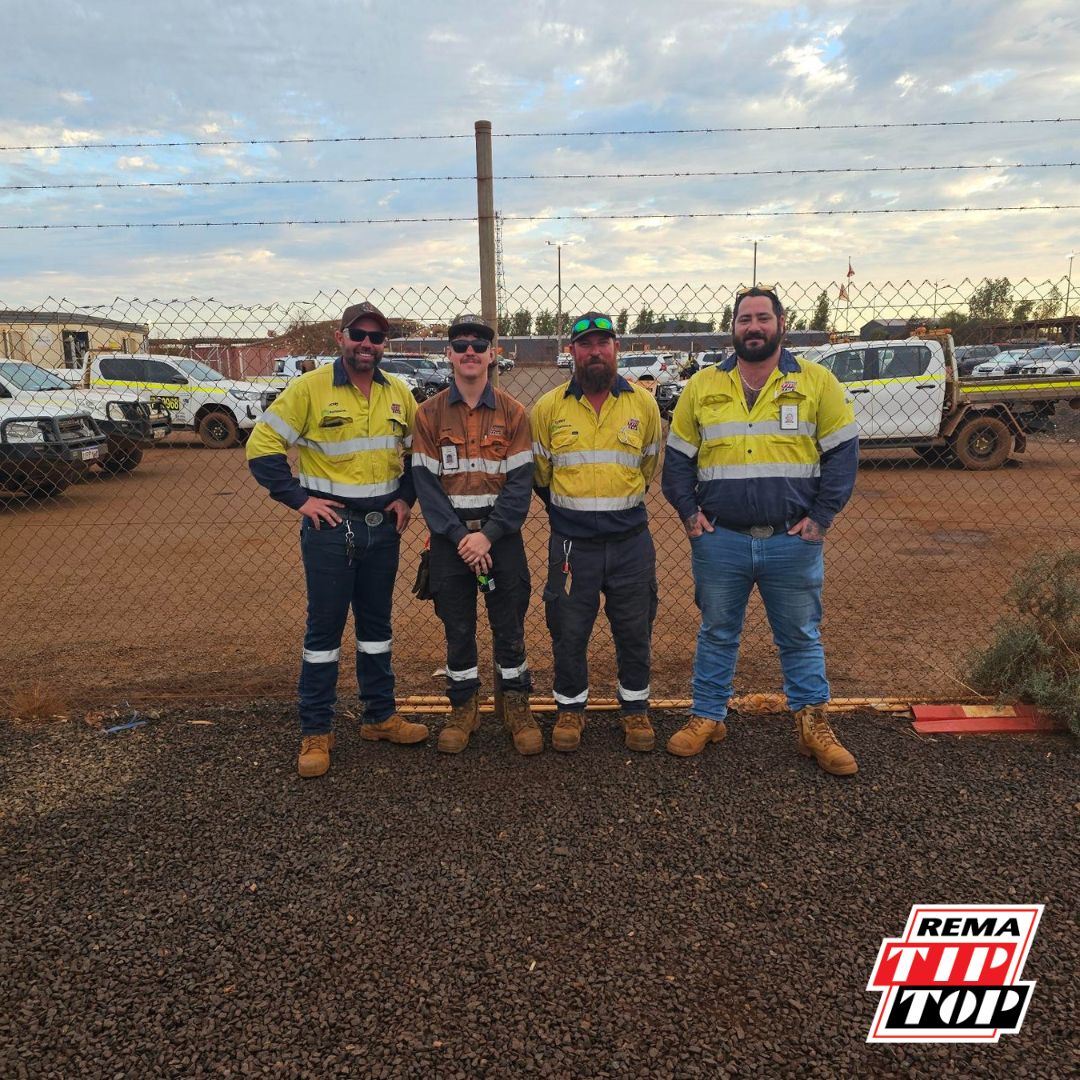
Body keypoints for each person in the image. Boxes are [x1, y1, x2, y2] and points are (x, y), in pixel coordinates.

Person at [661, 286, 860, 775]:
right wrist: (692, 517)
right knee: (717, 632)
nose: (753, 327)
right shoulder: (703, 387)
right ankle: (708, 716)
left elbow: (842, 457)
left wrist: (820, 520)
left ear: (780, 324)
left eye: (762, 318)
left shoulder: (816, 383)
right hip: (721, 539)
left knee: (799, 636)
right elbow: (677, 463)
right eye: (744, 319)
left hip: (792, 541)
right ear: (733, 327)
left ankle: (813, 724)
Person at [246, 300, 428, 778]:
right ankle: (316, 730)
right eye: (359, 335)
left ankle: (379, 716)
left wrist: (406, 497)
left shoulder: (399, 394)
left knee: (376, 629)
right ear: (340, 338)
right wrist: (299, 500)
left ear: (384, 345)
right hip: (329, 531)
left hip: (383, 532)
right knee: (324, 633)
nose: (367, 345)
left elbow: (415, 456)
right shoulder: (309, 389)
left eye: (376, 338)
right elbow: (261, 446)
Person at [530, 312, 663, 753]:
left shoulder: (642, 404)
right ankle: (570, 709)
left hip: (630, 543)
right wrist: (576, 514)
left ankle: (635, 709)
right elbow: (542, 476)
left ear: (616, 349)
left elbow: (647, 467)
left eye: (603, 343)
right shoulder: (549, 408)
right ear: (572, 352)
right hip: (571, 545)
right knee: (568, 630)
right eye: (585, 344)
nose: (595, 352)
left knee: (634, 627)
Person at [411, 314, 541, 755]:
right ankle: (462, 709)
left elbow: (520, 484)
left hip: (500, 539)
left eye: (479, 344)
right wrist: (459, 537)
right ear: (448, 354)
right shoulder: (427, 415)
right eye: (460, 344)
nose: (470, 351)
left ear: (492, 354)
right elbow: (426, 487)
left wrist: (488, 535)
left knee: (510, 627)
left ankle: (518, 708)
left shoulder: (514, 413)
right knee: (458, 628)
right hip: (450, 543)